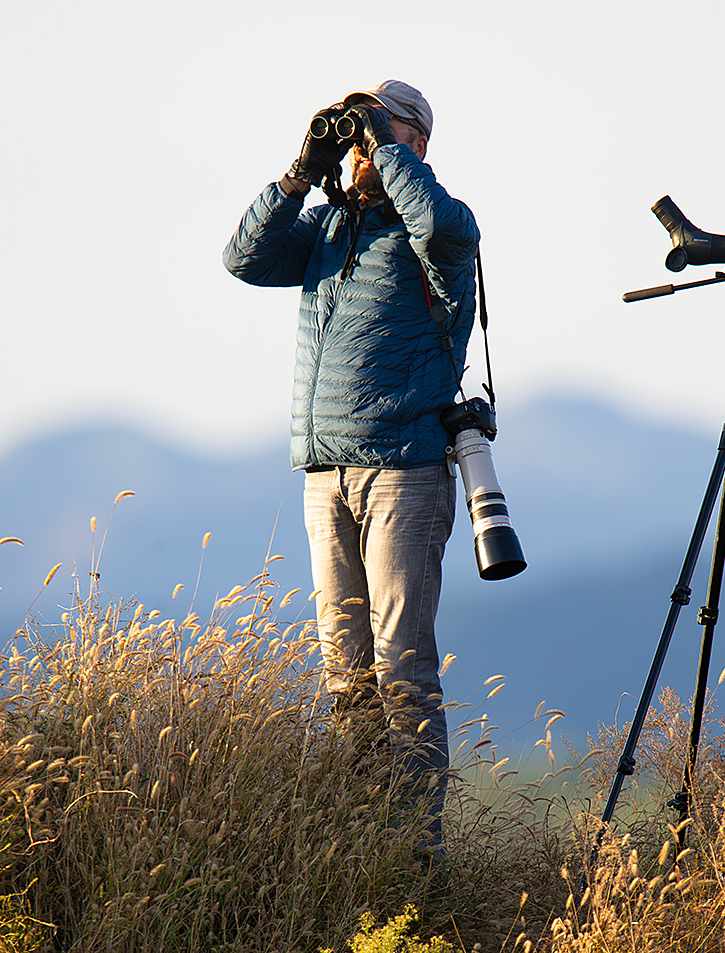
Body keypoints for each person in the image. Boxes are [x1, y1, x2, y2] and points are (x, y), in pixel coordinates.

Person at [223, 80, 479, 853]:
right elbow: (243, 258)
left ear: (417, 143)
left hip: (404, 471)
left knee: (403, 671)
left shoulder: (444, 228)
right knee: (347, 675)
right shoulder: (330, 225)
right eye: (356, 130)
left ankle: (415, 854)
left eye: (379, 128)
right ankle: (366, 841)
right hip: (324, 475)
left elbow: (436, 221)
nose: (360, 145)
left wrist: (385, 147)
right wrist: (301, 169)